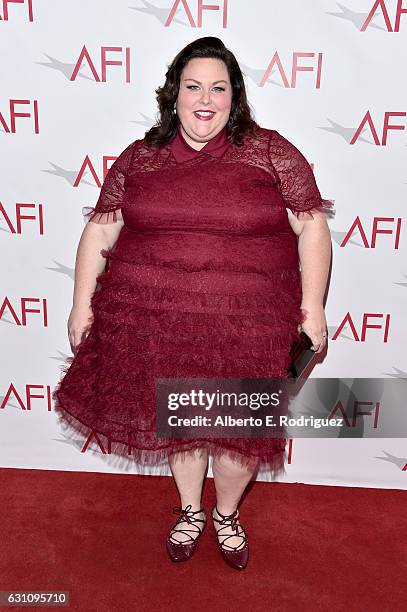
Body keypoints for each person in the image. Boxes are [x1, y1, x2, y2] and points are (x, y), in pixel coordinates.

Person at [52, 36, 333, 571]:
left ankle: (225, 514)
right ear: (173, 94)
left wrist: (313, 306)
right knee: (181, 421)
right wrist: (79, 304)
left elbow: (311, 226)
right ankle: (190, 510)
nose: (205, 98)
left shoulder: (271, 152)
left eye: (219, 87)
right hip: (160, 324)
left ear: (235, 96)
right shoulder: (142, 156)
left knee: (236, 435)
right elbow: (100, 229)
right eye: (193, 86)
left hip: (249, 327)